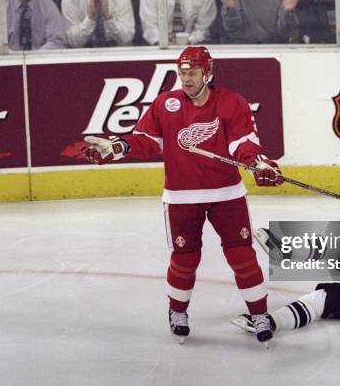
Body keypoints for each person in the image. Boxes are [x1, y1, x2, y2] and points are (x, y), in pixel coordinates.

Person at [81, 46, 283, 345]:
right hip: (181, 197)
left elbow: (242, 142)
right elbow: (146, 140)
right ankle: (177, 311)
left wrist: (257, 164)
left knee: (242, 255)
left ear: (207, 73)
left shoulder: (231, 103)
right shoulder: (166, 104)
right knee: (185, 259)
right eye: (182, 73)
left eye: (192, 73)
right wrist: (119, 147)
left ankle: (260, 314)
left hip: (226, 194)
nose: (186, 79)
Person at [139, 0, 217, 45]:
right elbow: (149, 27)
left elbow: (204, 29)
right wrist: (162, 42)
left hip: (193, 47)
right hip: (159, 48)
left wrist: (188, 41)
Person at [220, 0, 299, 44]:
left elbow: (287, 32)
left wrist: (287, 12)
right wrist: (231, 10)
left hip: (273, 47)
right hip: (242, 47)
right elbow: (231, 29)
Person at [62, 0, 135, 47]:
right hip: (84, 50)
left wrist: (108, 18)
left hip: (117, 47)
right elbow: (74, 43)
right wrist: (90, 19)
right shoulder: (70, 1)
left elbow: (127, 38)